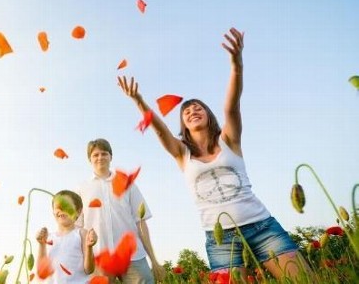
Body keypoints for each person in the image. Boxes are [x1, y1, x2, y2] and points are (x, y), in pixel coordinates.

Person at [118, 28, 312, 281]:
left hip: (262, 226)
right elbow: (159, 129)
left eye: (198, 107)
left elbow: (232, 105)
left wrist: (236, 65)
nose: (192, 111)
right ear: (184, 125)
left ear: (209, 115)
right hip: (220, 238)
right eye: (186, 112)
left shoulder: (230, 140)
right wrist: (139, 101)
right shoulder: (181, 153)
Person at [76, 138, 164, 283]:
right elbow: (79, 229)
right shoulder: (81, 189)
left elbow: (140, 223)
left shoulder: (127, 184)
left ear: (111, 156)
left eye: (104, 153)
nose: (100, 157)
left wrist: (153, 260)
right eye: (95, 155)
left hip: (132, 256)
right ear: (89, 159)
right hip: (99, 258)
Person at [36, 190, 98, 284]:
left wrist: (89, 247)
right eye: (58, 206)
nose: (62, 208)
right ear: (53, 212)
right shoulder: (48, 237)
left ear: (78, 211)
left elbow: (89, 270)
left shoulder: (81, 233)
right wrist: (41, 244)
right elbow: (41, 270)